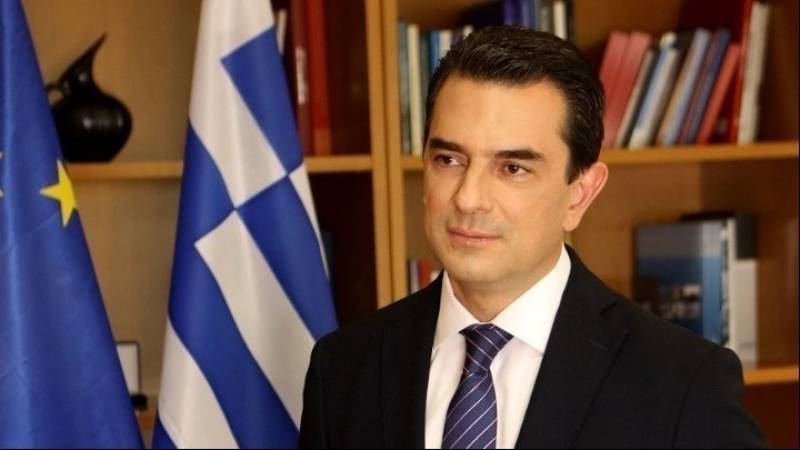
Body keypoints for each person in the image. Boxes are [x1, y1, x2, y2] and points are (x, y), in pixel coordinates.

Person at [298, 26, 766, 449]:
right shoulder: (343, 369)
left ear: (580, 194)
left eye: (513, 168)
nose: (469, 198)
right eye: (449, 160)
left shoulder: (683, 382)